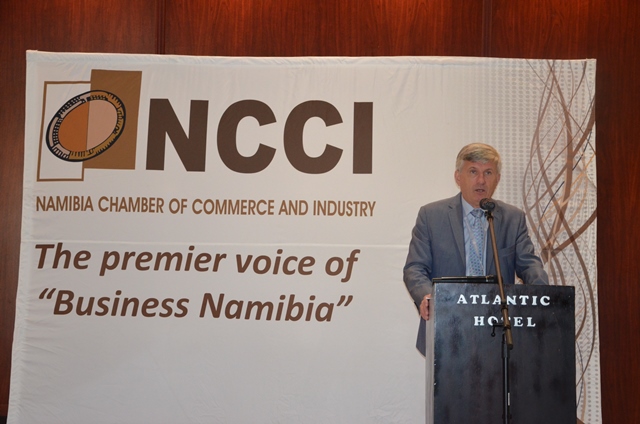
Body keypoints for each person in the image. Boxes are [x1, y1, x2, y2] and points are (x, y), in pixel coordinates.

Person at [403, 143, 548, 355]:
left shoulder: (512, 218)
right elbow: (415, 268)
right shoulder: (431, 216)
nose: (481, 180)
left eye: (488, 172)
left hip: (497, 329)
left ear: (497, 178)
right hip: (447, 325)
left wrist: (543, 293)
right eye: (473, 172)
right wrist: (426, 296)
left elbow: (529, 264)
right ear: (458, 177)